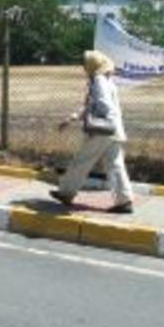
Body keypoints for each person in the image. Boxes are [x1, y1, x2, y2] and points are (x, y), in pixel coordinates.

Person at [51, 50, 134, 213]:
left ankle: (66, 193)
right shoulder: (107, 81)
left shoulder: (98, 80)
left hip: (102, 130)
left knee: (81, 161)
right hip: (115, 129)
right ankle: (124, 201)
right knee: (116, 165)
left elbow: (102, 105)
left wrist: (100, 120)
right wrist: (72, 118)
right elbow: (91, 105)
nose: (82, 67)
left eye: (84, 64)